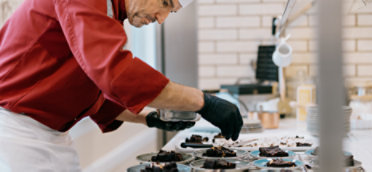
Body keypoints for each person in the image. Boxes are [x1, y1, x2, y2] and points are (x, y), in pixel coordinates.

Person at [0, 0, 243, 171]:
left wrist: (149, 118)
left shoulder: (110, 14)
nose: (161, 19)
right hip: (15, 132)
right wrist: (203, 101)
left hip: (50, 134)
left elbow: (91, 90)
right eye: (165, 3)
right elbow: (114, 73)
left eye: (172, 11)